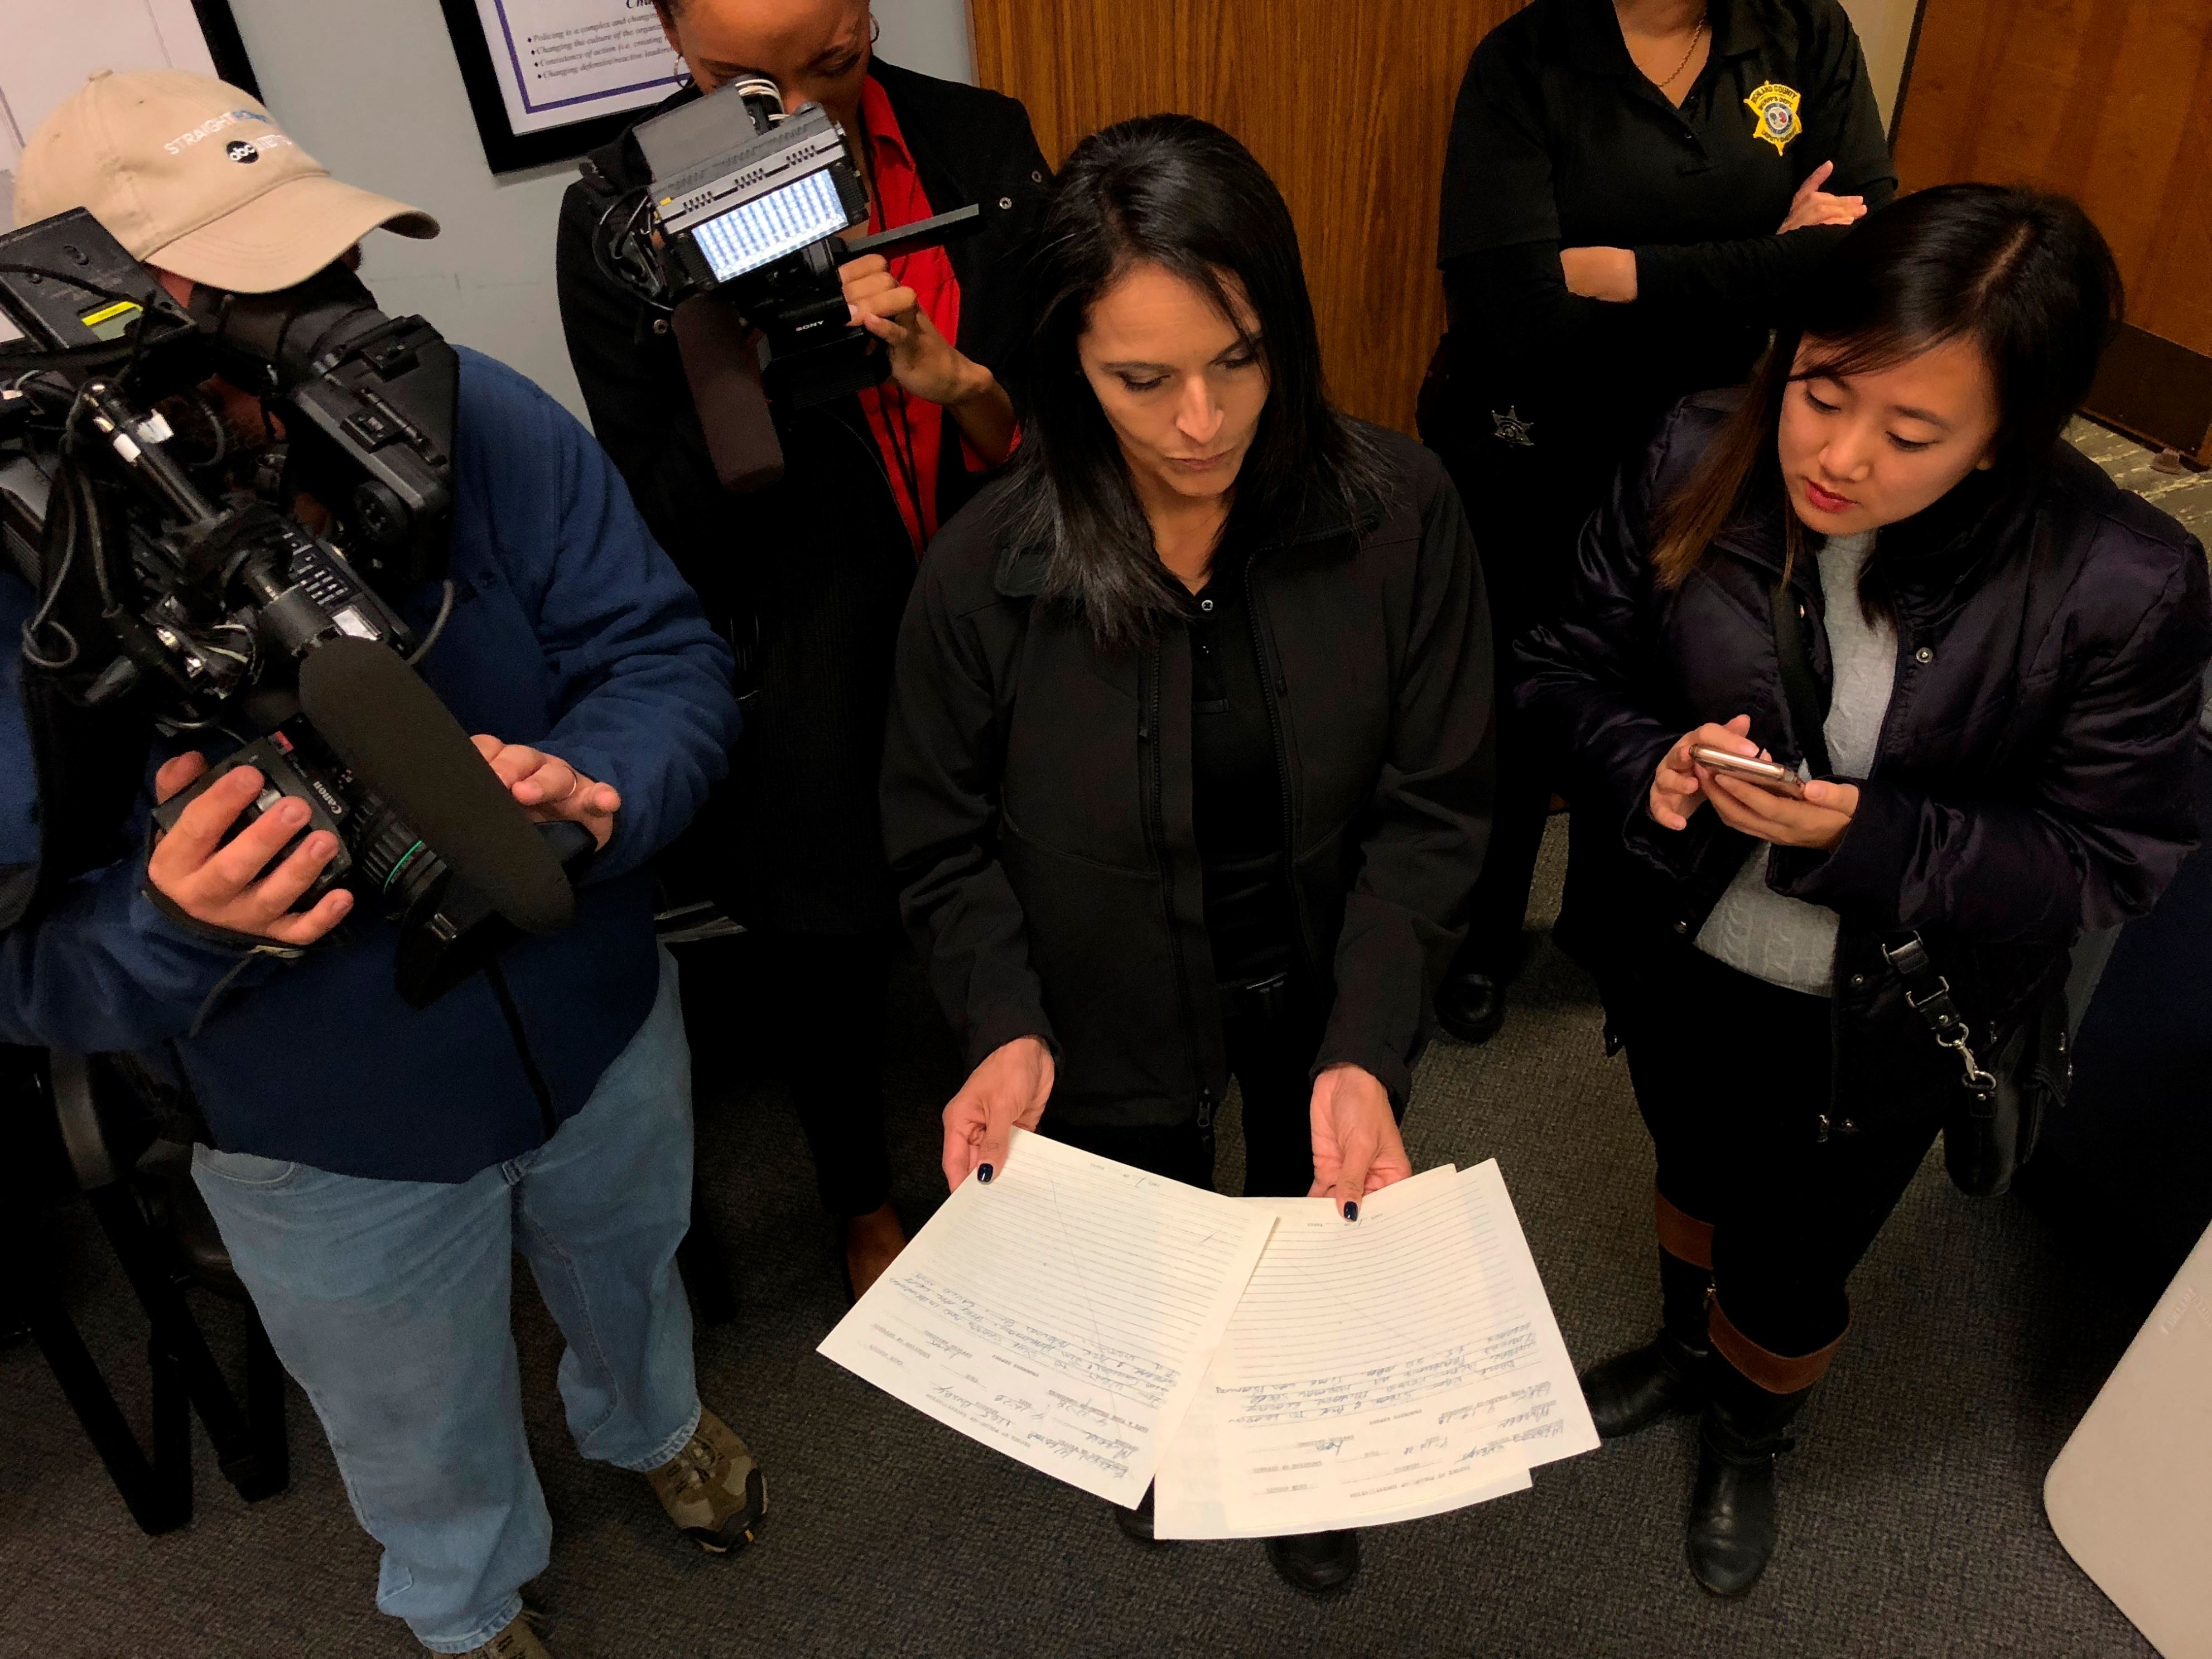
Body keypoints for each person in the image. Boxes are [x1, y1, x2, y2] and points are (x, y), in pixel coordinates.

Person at [4, 72, 755, 1659]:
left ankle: (650, 1425)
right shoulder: (30, 597)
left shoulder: (473, 414)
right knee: (415, 1419)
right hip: (325, 1137)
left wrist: (601, 790)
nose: (329, 334)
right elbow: (23, 960)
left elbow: (663, 656)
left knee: (632, 1279)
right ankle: (467, 1601)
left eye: (331, 272)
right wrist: (170, 923)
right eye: (260, 300)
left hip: (599, 1014)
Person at [1517, 184, 2212, 1595]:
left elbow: (2110, 853)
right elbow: (1555, 667)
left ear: (2005, 436)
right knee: (1693, 1161)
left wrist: (1872, 834)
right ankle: (1680, 1340)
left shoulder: (2122, 578)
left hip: (1890, 1006)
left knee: (1801, 1248)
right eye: (1823, 392)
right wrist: (1645, 759)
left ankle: (1754, 1428)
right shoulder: (1693, 445)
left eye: (1912, 434)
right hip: (1688, 938)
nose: (1836, 458)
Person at [880, 115, 1493, 1596]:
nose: (1200, 423)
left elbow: (1436, 804)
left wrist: (1367, 1036)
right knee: (1140, 1224)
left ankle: (1291, 1444)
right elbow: (936, 832)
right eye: (1139, 381)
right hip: (1098, 993)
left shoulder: (1396, 512)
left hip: (1315, 952)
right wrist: (1003, 1020)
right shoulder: (984, 566)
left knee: (1310, 1197)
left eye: (1237, 361)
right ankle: (1160, 1420)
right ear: (1062, 371)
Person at [556, 0, 1051, 1298]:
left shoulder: (978, 142)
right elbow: (656, 512)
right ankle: (858, 1192)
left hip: (1003, 605)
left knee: (1041, 881)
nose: (795, 110)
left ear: (868, 17)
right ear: (673, 45)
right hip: (804, 633)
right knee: (825, 935)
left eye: (825, 65)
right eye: (736, 80)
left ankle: (1058, 1143)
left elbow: (1055, 405)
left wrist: (970, 392)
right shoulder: (617, 215)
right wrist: (757, 353)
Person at [1421, 0, 1895, 1043]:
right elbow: (1512, 308)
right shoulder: (1523, 61)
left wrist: (1612, 267)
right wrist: (1761, 256)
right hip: (1538, 436)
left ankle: (1608, 921)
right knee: (1514, 690)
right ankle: (1478, 938)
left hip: (1717, 442)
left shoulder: (1801, 33)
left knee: (1665, 679)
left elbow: (1857, 253)